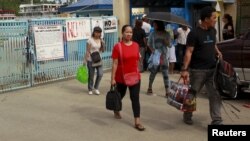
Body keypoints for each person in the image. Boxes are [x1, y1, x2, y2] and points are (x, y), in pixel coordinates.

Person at [181, 6, 223, 125]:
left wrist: (217, 51)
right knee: (192, 94)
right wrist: (184, 69)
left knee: (215, 95)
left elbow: (213, 43)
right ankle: (187, 114)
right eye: (214, 18)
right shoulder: (194, 33)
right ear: (206, 19)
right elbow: (189, 52)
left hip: (212, 70)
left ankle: (217, 120)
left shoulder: (212, 30)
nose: (215, 20)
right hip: (197, 71)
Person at [111, 25, 145, 131]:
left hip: (134, 77)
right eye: (127, 32)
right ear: (122, 33)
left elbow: (137, 59)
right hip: (121, 77)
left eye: (131, 32)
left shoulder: (136, 45)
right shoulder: (118, 47)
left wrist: (139, 64)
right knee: (120, 95)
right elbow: (115, 64)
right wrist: (112, 79)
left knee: (135, 98)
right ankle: (116, 109)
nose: (129, 34)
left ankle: (137, 121)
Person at [146, 20, 171, 97]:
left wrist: (165, 41)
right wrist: (152, 50)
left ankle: (167, 91)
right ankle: (149, 87)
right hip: (156, 56)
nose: (154, 26)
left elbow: (169, 45)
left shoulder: (166, 34)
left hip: (163, 56)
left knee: (165, 74)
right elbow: (148, 43)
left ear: (159, 25)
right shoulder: (152, 34)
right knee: (153, 72)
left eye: (155, 25)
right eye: (153, 25)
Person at [85, 26, 104, 95]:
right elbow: (87, 51)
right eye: (96, 32)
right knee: (91, 75)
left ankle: (96, 88)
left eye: (99, 32)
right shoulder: (90, 40)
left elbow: (101, 50)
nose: (98, 34)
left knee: (100, 74)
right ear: (94, 32)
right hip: (91, 60)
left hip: (99, 59)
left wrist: (103, 45)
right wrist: (85, 60)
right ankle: (90, 88)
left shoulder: (101, 40)